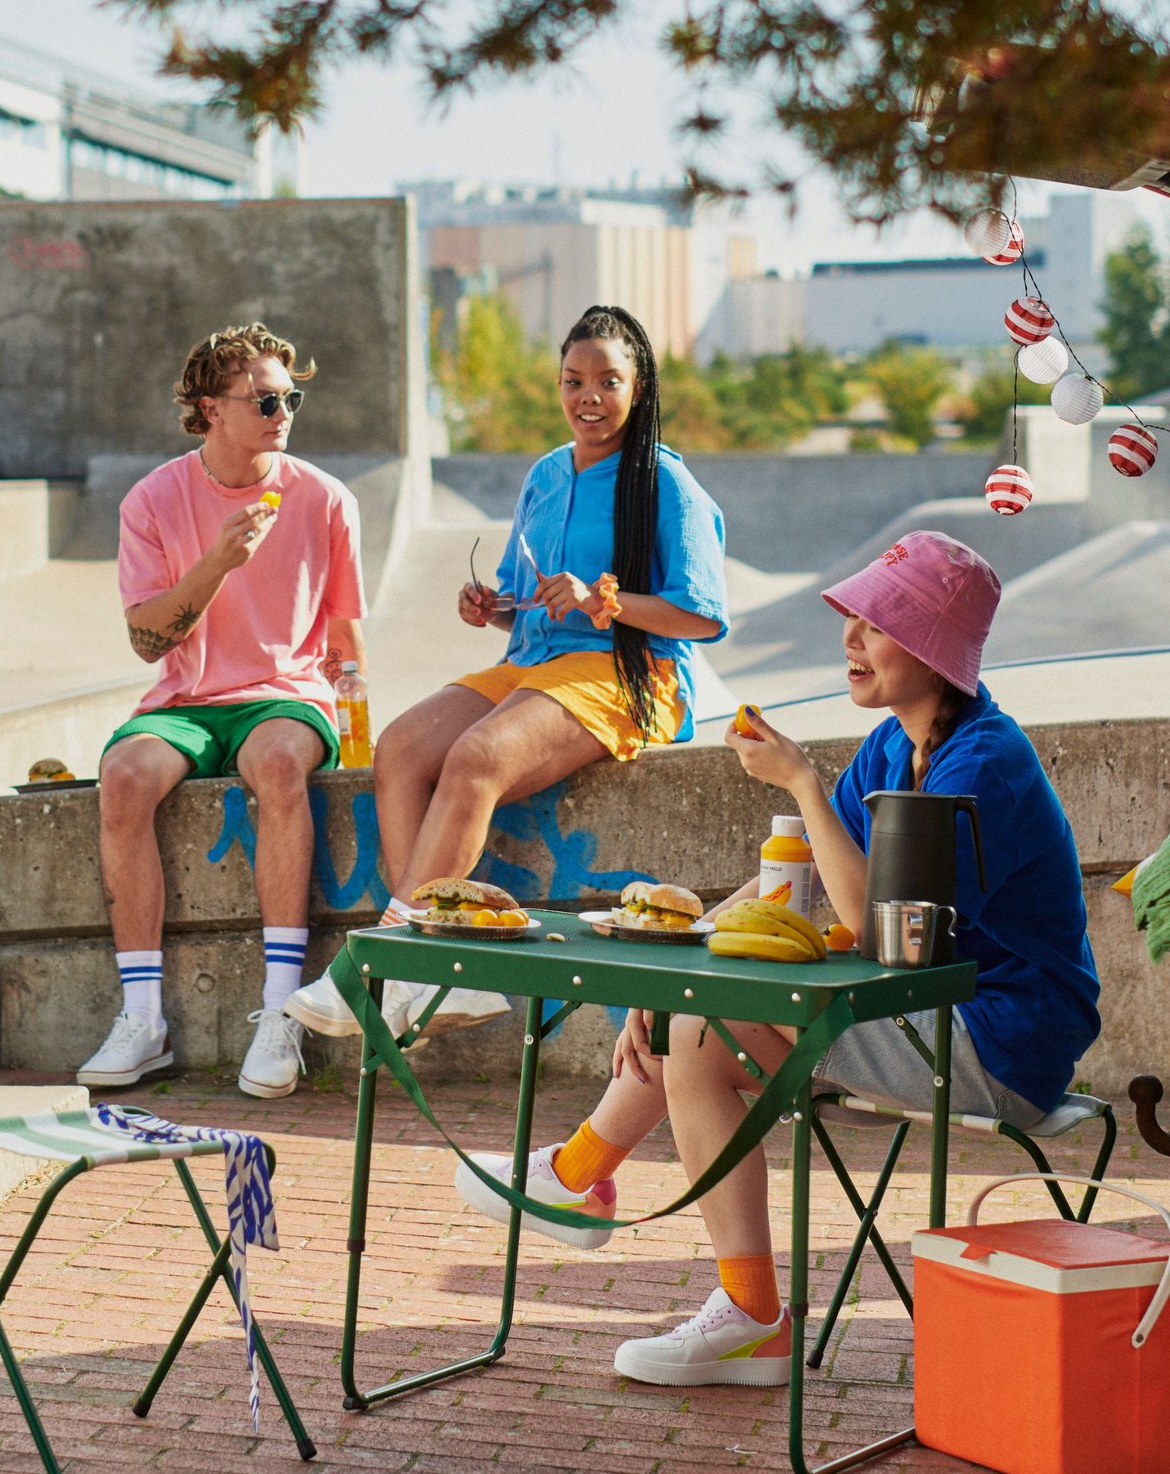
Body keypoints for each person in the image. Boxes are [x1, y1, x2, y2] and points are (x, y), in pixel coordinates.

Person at [455, 529, 1101, 1387]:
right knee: (691, 1022)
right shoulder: (893, 745)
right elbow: (789, 885)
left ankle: (625, 1216)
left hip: (1001, 1045)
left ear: (930, 650)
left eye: (876, 624)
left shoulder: (986, 763)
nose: (850, 640)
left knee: (695, 1031)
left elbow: (880, 931)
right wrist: (676, 960)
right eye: (856, 620)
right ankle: (613, 1206)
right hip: (929, 1021)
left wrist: (800, 781)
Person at [286, 303, 729, 1043]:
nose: (588, 397)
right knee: (399, 747)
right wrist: (491, 608)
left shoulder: (666, 484)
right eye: (573, 380)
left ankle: (383, 962)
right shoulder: (546, 474)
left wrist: (605, 603)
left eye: (608, 381)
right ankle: (447, 974)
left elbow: (703, 617)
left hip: (631, 674)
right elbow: (524, 603)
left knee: (478, 758)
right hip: (533, 663)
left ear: (640, 388)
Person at [76, 323, 367, 1101]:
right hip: (186, 700)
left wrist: (355, 706)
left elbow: (344, 640)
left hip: (285, 696)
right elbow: (147, 641)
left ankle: (281, 1016)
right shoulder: (155, 500)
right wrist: (217, 562)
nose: (284, 411)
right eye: (265, 399)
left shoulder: (326, 499)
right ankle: (142, 1019)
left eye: (291, 397)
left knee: (276, 764)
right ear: (212, 408)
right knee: (125, 775)